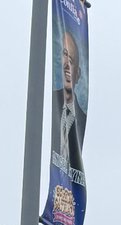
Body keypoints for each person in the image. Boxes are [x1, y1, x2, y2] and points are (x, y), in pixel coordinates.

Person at [51, 29, 87, 175]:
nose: (66, 65)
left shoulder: (81, 117)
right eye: (65, 55)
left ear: (77, 74)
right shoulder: (53, 103)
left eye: (71, 61)